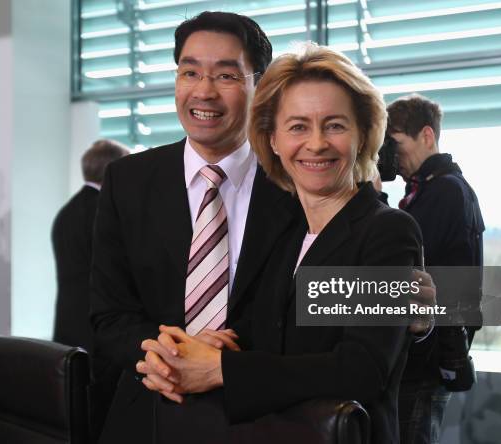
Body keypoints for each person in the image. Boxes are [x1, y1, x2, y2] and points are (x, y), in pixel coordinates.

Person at [138, 43, 423, 444]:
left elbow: (362, 369)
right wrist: (194, 350)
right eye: (298, 126)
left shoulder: (386, 232)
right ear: (272, 140)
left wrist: (221, 369)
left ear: (363, 135)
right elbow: (270, 342)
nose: (317, 143)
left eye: (336, 125)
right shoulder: (288, 236)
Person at [89, 12, 297, 444]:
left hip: (267, 420)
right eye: (190, 72)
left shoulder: (297, 183)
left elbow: (331, 316)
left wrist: (222, 362)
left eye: (225, 75)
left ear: (261, 86)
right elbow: (109, 316)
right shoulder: (127, 181)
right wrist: (168, 354)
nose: (204, 91)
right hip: (148, 414)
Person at [386, 94, 484, 444]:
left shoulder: (444, 192)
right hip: (424, 356)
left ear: (427, 135)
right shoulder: (437, 190)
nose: (391, 157)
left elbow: (402, 265)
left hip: (424, 361)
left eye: (395, 143)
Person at [52, 139, 129, 354]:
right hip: (98, 330)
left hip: (68, 323)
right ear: (113, 170)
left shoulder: (67, 210)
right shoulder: (104, 211)